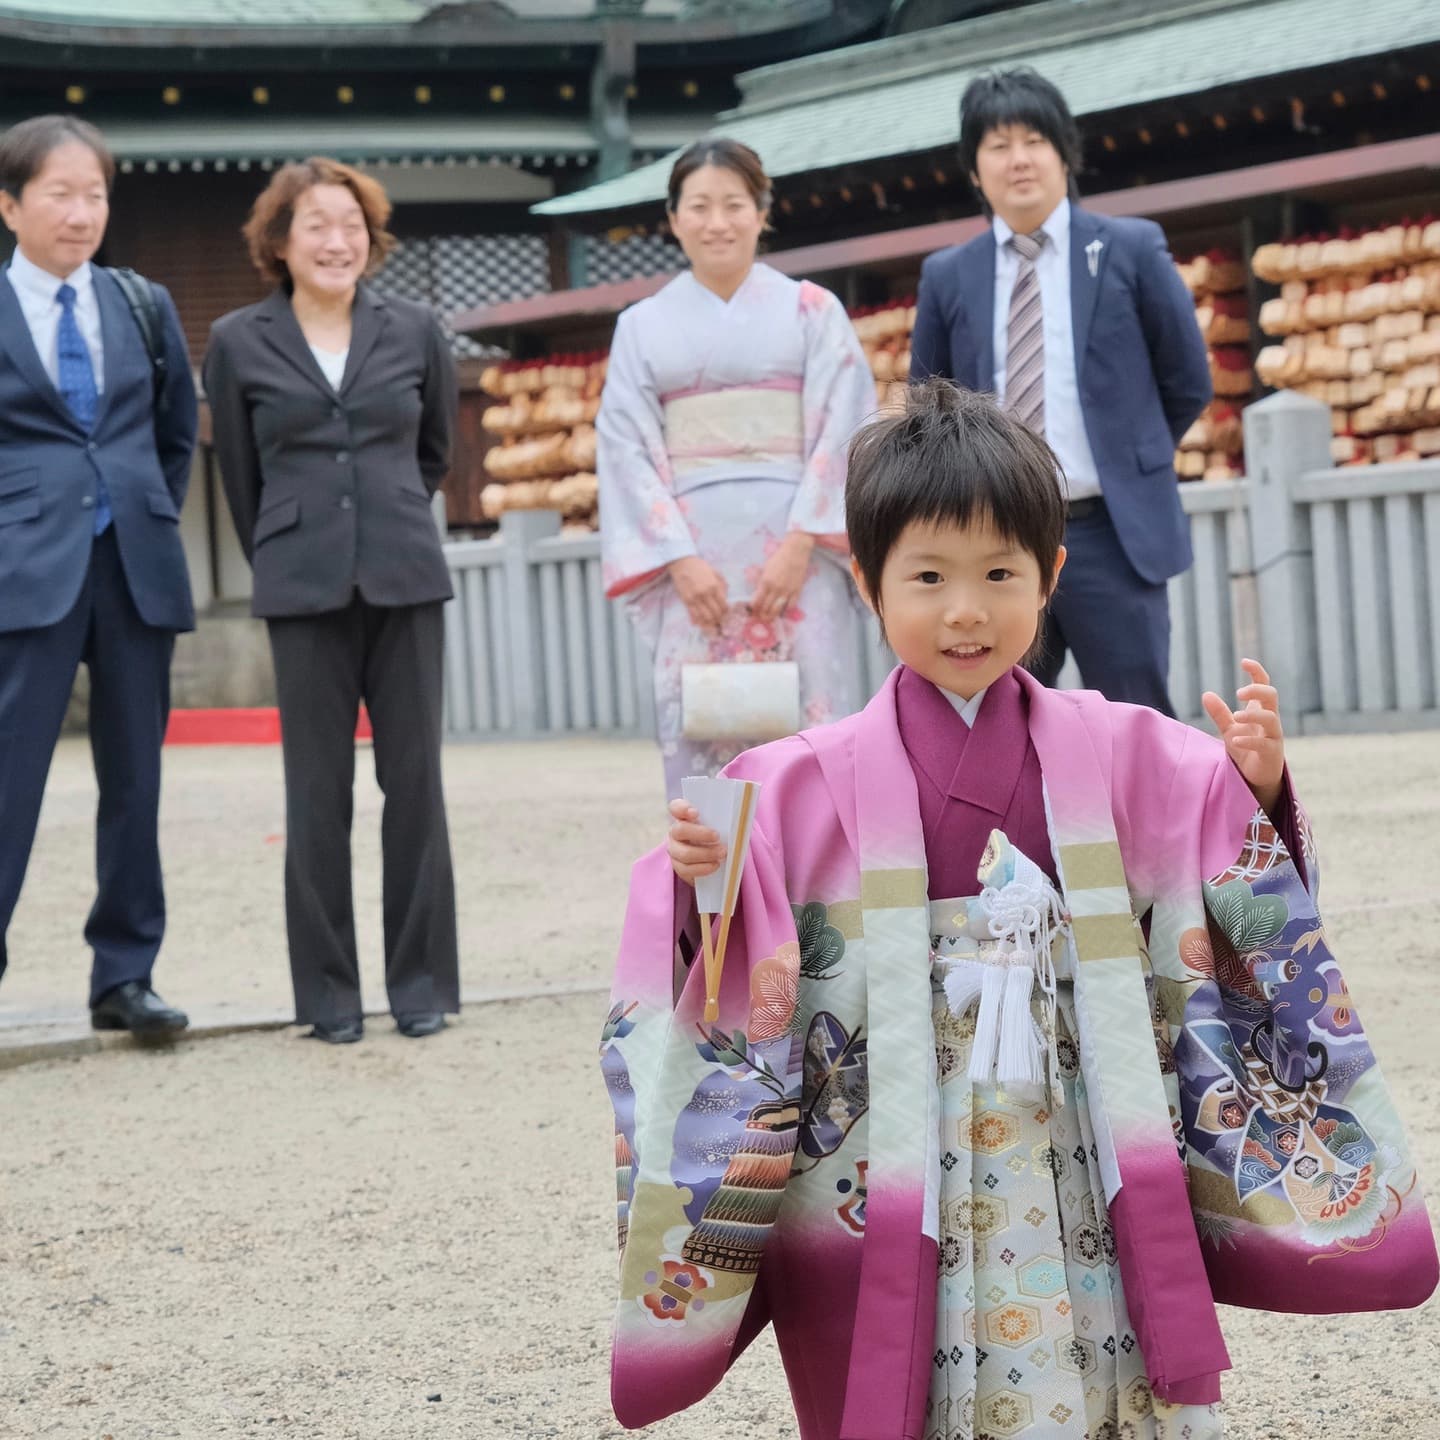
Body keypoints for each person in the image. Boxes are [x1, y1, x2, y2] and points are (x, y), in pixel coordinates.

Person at [600, 381, 1436, 1440]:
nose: (967, 610)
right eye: (930, 577)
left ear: (1051, 578)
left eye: (1001, 574)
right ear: (868, 584)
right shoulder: (792, 780)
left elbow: (1227, 869)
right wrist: (704, 878)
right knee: (905, 1351)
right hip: (895, 1137)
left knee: (1098, 1338)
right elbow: (726, 954)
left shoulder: (1128, 747)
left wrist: (1256, 788)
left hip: (1077, 1115)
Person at [203, 158, 459, 1044]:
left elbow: (435, 452)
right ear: (279, 241)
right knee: (316, 793)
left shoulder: (417, 326)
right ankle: (328, 994)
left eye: (350, 223)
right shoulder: (239, 339)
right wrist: (292, 540)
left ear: (371, 238)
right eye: (315, 223)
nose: (336, 240)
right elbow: (240, 474)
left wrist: (381, 515)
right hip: (301, 582)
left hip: (405, 571)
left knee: (416, 783)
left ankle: (420, 983)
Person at [910, 68, 1212, 714]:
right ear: (974, 169)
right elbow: (926, 406)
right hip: (995, 536)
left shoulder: (1130, 248)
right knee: (997, 721)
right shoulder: (948, 275)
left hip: (1111, 531)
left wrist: (1131, 457)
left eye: (1034, 140)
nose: (1018, 159)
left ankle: (1143, 824)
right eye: (997, 145)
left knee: (1135, 719)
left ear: (1064, 152)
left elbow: (1187, 379)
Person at [596, 137, 875, 796]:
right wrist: (678, 559)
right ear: (673, 219)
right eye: (699, 206)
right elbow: (625, 446)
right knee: (701, 734)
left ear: (761, 213)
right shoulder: (641, 326)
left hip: (800, 558)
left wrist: (803, 541)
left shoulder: (813, 311)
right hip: (691, 568)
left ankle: (813, 892)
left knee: (813, 728)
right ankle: (717, 895)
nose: (716, 222)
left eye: (733, 204)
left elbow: (846, 426)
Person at [0, 115, 197, 1035]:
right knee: (9, 780)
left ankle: (125, 975)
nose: (82, 214)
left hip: (134, 565)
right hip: (20, 572)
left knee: (136, 783)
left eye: (96, 196)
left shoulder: (141, 304)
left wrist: (146, 514)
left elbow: (170, 436)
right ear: (9, 204)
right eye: (60, 194)